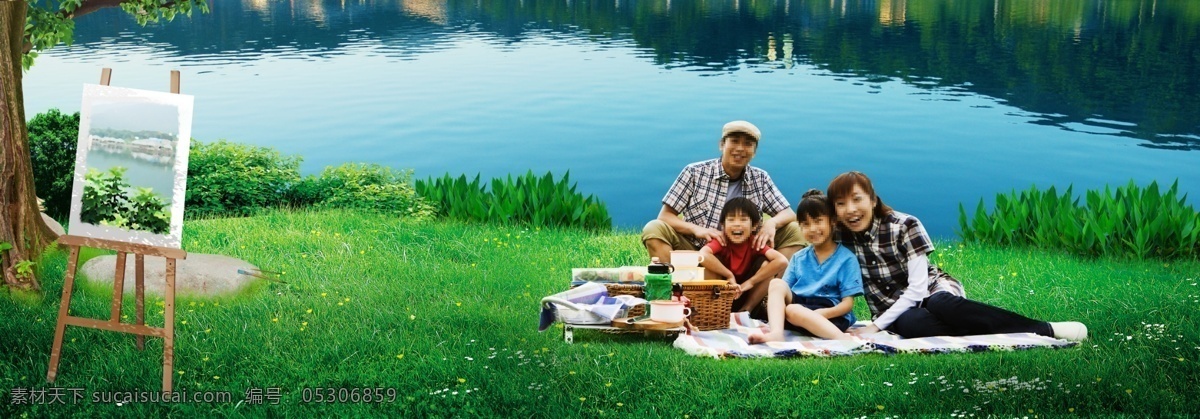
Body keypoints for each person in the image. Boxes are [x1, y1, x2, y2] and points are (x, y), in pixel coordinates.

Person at [826, 171, 1088, 341]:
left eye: (857, 199)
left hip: (930, 290)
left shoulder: (904, 225)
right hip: (895, 312)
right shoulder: (841, 236)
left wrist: (874, 327)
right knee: (914, 324)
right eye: (841, 204)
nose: (851, 210)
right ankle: (985, 328)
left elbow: (918, 289)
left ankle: (1045, 329)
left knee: (941, 304)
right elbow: (811, 228)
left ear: (872, 200)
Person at [642, 120, 806, 311]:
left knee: (795, 231)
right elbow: (665, 216)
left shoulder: (760, 178)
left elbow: (788, 213)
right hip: (700, 254)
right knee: (653, 228)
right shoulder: (695, 172)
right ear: (722, 145)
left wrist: (772, 224)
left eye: (748, 144)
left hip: (746, 255)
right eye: (734, 141)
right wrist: (698, 230)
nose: (740, 149)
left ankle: (756, 303)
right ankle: (680, 297)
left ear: (755, 151)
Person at [748, 190, 863, 343]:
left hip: (831, 316)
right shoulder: (799, 257)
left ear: (833, 221)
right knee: (777, 284)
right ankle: (776, 333)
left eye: (818, 221)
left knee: (793, 310)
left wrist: (822, 314)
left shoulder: (846, 259)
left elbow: (847, 304)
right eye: (806, 224)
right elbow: (785, 291)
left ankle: (842, 339)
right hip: (797, 311)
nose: (813, 229)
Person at [698, 197, 789, 313]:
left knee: (766, 264)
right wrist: (729, 275)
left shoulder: (754, 242)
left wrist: (751, 282)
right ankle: (715, 311)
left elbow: (782, 261)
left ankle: (746, 310)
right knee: (708, 265)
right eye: (731, 220)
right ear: (723, 225)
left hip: (745, 293)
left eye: (743, 219)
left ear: (754, 226)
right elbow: (703, 255)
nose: (737, 224)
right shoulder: (722, 241)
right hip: (721, 293)